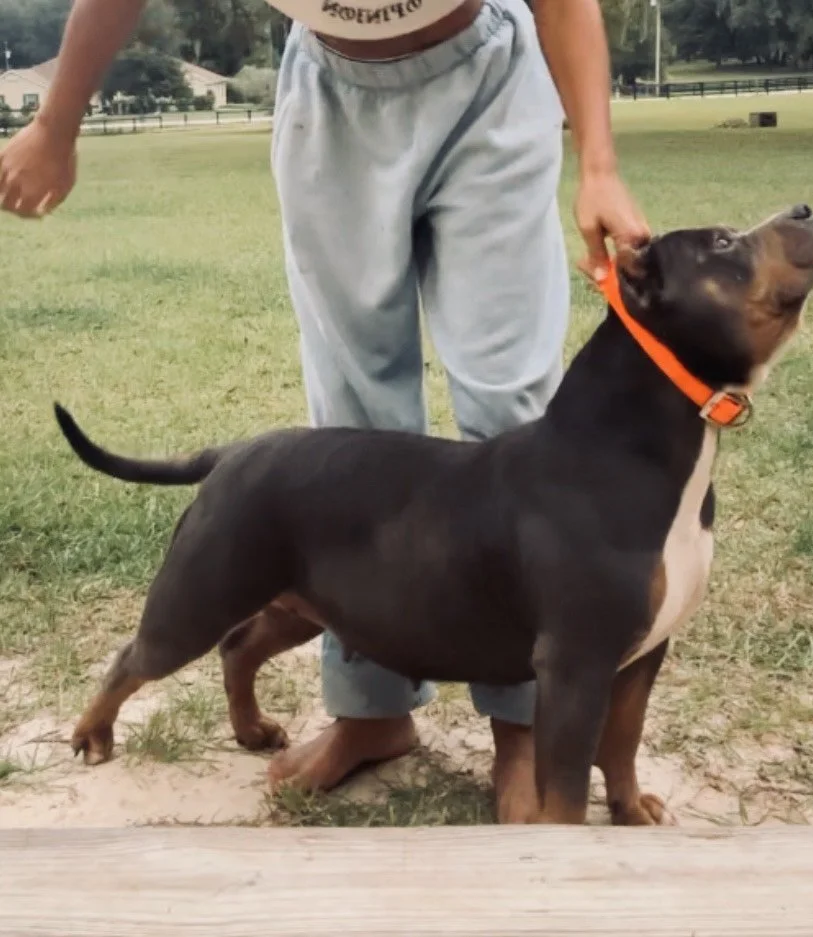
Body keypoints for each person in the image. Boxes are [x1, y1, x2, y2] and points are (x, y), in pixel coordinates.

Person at [0, 0, 650, 820]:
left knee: (512, 399)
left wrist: (597, 160)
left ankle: (523, 726)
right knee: (355, 425)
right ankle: (371, 710)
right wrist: (57, 123)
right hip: (332, 93)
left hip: (486, 74)